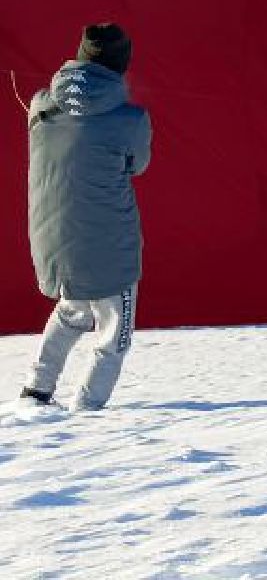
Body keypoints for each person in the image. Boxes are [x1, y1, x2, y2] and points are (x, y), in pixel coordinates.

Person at [21, 25, 151, 411]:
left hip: (52, 240)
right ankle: (88, 413)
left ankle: (36, 390)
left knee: (72, 312)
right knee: (114, 334)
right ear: (121, 65)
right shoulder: (131, 118)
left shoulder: (40, 104)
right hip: (110, 247)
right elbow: (138, 164)